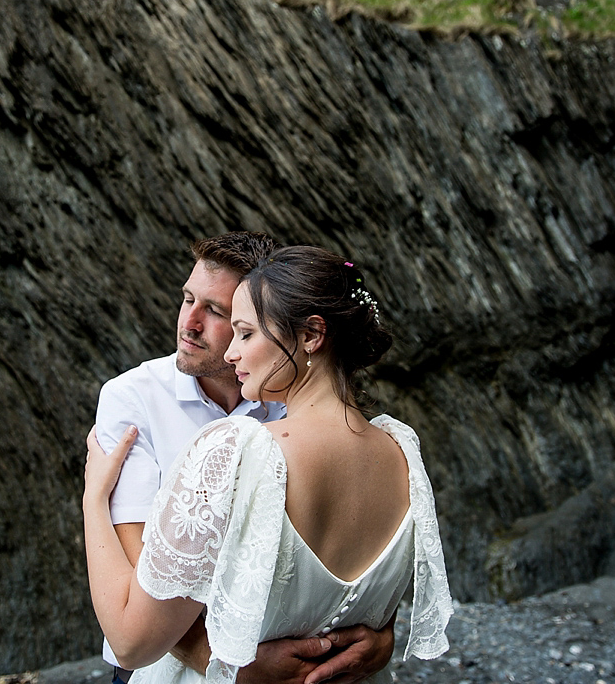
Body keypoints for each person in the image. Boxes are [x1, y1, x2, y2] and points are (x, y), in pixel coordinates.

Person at [84, 245, 455, 684]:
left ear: (312, 336)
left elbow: (131, 642)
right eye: (188, 300)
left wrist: (93, 501)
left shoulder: (237, 448)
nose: (233, 354)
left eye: (244, 333)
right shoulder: (402, 452)